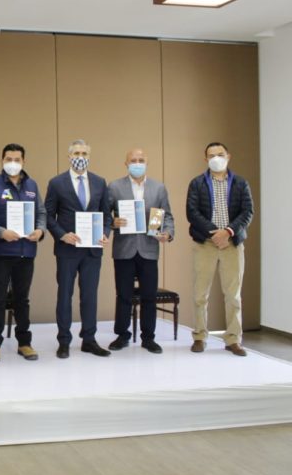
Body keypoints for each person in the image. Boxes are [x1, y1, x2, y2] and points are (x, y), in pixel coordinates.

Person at [44, 139, 112, 359]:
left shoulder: (100, 182)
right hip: (67, 249)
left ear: (89, 156)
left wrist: (105, 233)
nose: (80, 157)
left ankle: (89, 340)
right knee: (65, 295)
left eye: (84, 153)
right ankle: (64, 341)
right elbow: (48, 215)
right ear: (69, 156)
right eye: (76, 153)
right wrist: (62, 235)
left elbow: (107, 216)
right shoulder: (57, 183)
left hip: (92, 250)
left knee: (90, 296)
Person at [186, 142, 253, 356]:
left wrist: (228, 232)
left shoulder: (241, 183)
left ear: (228, 156)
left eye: (220, 154)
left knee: (233, 295)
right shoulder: (197, 183)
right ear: (205, 159)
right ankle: (199, 336)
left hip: (232, 244)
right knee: (200, 294)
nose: (216, 158)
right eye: (211, 155)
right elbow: (192, 212)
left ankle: (233, 339)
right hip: (205, 243)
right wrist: (214, 233)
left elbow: (247, 212)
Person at [0, 143, 46, 363]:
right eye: (8, 159)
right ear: (2, 160)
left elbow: (41, 212)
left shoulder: (32, 185)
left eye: (17, 159)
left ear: (23, 161)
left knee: (22, 300)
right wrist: (1, 232)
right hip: (0, 253)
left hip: (25, 252)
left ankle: (24, 343)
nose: (13, 163)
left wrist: (40, 230)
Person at [108, 148, 174, 354]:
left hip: (149, 249)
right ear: (126, 164)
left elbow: (167, 216)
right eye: (133, 160)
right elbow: (104, 214)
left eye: (141, 160)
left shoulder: (159, 188)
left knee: (149, 296)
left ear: (147, 162)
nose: (137, 163)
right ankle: (122, 335)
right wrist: (112, 222)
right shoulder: (114, 187)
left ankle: (148, 338)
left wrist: (167, 233)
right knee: (123, 295)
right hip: (124, 249)